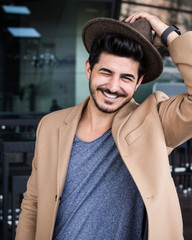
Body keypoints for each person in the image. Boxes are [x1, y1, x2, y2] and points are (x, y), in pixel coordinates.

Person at [16, 11, 192, 240]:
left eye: (126, 78)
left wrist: (170, 34)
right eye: (106, 72)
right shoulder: (51, 125)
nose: (113, 86)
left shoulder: (156, 120)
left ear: (139, 82)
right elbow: (33, 203)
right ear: (89, 69)